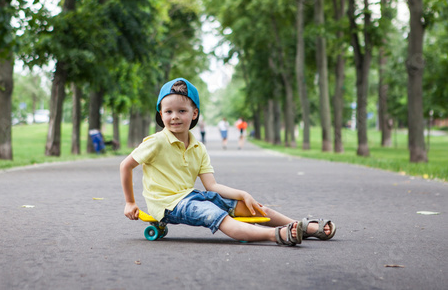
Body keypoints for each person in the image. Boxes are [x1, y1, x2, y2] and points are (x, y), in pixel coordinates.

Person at [120, 78, 336, 246]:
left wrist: (243, 194)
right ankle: (275, 235)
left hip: (189, 197)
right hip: (167, 205)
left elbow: (211, 186)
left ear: (194, 114)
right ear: (161, 114)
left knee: (249, 207)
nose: (174, 116)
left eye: (182, 111)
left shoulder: (198, 147)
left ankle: (298, 225)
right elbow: (126, 165)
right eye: (168, 111)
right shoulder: (156, 142)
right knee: (216, 214)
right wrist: (130, 202)